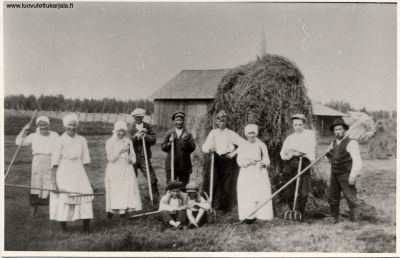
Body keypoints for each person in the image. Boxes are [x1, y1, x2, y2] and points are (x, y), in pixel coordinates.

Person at [49, 113, 94, 233]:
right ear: (65, 126)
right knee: (64, 198)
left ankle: (86, 227)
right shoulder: (59, 140)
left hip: (79, 171)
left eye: (74, 125)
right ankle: (64, 228)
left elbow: (86, 161)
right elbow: (54, 163)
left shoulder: (82, 140)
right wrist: (54, 183)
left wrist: (90, 180)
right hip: (64, 171)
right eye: (70, 125)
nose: (72, 127)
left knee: (85, 196)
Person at [201, 110, 245, 213]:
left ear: (226, 122)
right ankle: (209, 205)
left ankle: (225, 207)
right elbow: (204, 147)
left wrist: (233, 153)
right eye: (219, 120)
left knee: (227, 184)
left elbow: (243, 143)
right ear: (216, 122)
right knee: (213, 181)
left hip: (228, 160)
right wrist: (209, 149)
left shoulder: (231, 133)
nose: (221, 122)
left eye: (223, 120)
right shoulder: (213, 133)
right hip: (216, 159)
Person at [15, 115, 59, 217]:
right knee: (36, 186)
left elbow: (60, 147)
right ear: (38, 126)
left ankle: (54, 213)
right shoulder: (33, 136)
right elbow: (18, 142)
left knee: (51, 185)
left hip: (51, 161)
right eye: (41, 125)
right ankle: (33, 214)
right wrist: (24, 130)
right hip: (37, 163)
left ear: (49, 124)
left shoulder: (54, 135)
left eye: (45, 125)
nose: (43, 127)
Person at [325, 118, 362, 223]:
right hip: (334, 174)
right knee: (333, 196)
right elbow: (331, 160)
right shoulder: (332, 143)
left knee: (350, 196)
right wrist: (328, 153)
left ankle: (355, 217)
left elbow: (357, 161)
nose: (338, 132)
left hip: (346, 174)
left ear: (345, 129)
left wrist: (353, 176)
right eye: (335, 130)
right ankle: (334, 217)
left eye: (340, 129)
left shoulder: (351, 143)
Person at [280, 114, 316, 218]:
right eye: (295, 125)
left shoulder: (309, 134)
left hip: (304, 162)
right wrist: (289, 154)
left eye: (300, 124)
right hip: (291, 164)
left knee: (303, 191)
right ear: (293, 125)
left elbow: (308, 149)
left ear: (304, 124)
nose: (298, 127)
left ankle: (301, 212)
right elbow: (283, 153)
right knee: (290, 189)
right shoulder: (290, 138)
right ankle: (293, 211)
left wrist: (293, 149)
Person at [105, 120, 142, 219]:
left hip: (126, 168)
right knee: (115, 189)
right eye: (119, 131)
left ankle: (123, 211)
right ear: (115, 131)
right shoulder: (110, 142)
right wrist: (120, 151)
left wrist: (132, 160)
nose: (121, 133)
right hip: (115, 168)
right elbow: (110, 158)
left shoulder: (128, 141)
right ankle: (111, 210)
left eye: (123, 131)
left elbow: (133, 156)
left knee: (126, 189)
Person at [236, 124, 273, 223]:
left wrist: (264, 164)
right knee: (247, 193)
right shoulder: (242, 145)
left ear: (256, 134)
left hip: (259, 171)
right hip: (246, 172)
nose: (251, 135)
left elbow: (267, 160)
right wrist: (248, 162)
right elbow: (239, 161)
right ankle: (247, 215)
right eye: (249, 133)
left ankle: (261, 214)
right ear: (246, 134)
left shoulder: (261, 145)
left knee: (260, 192)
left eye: (253, 133)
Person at [128, 108, 160, 203]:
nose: (138, 118)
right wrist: (136, 136)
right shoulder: (130, 127)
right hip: (132, 156)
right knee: (131, 178)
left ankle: (154, 197)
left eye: (140, 117)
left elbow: (154, 139)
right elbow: (127, 140)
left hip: (144, 157)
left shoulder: (148, 127)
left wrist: (146, 136)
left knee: (152, 178)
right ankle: (131, 198)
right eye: (136, 117)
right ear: (134, 117)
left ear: (143, 117)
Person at [161, 111, 196, 186]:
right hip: (171, 164)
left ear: (183, 121)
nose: (179, 122)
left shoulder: (188, 134)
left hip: (184, 165)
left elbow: (192, 148)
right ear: (174, 121)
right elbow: (163, 147)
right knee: (171, 186)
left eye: (180, 120)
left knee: (183, 187)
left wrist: (185, 141)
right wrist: (170, 143)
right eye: (177, 120)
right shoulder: (170, 133)